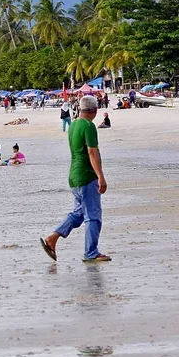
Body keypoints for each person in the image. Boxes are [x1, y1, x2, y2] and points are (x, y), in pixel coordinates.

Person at [42, 95, 111, 263]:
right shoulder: (88, 126)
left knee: (79, 213)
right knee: (93, 215)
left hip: (74, 175)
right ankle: (91, 252)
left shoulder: (73, 125)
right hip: (86, 175)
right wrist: (101, 176)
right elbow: (92, 152)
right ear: (95, 110)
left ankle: (53, 238)